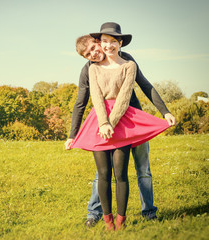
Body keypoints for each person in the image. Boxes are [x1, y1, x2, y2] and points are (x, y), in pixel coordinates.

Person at [65, 22, 176, 229]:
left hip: (132, 121)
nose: (94, 53)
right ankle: (95, 212)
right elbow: (81, 102)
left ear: (99, 43)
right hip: (104, 121)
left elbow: (145, 85)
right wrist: (73, 134)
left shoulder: (127, 60)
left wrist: (165, 111)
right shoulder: (89, 69)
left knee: (142, 169)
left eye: (94, 47)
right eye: (88, 53)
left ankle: (149, 212)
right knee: (103, 174)